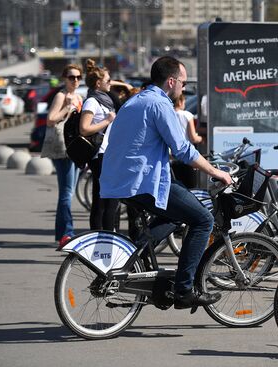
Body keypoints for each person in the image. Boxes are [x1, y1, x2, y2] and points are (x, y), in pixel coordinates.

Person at [100, 56, 232, 309]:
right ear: (171, 81)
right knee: (203, 220)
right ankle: (184, 291)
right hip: (142, 182)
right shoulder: (160, 105)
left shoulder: (135, 101)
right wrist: (216, 172)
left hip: (121, 180)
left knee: (175, 213)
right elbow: (183, 150)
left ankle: (136, 254)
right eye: (182, 82)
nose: (183, 88)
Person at [42, 64, 84, 249]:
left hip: (74, 146)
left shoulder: (79, 96)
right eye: (71, 77)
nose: (75, 80)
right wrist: (67, 107)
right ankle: (66, 234)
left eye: (78, 77)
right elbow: (51, 119)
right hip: (62, 148)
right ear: (64, 78)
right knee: (66, 193)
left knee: (69, 192)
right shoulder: (61, 96)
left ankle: (63, 233)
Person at [79, 59, 119, 231]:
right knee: (102, 202)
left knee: (111, 202)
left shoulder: (105, 100)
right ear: (98, 83)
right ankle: (99, 238)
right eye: (108, 81)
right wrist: (107, 120)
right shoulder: (92, 102)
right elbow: (84, 128)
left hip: (108, 154)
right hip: (99, 156)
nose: (111, 83)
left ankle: (109, 239)